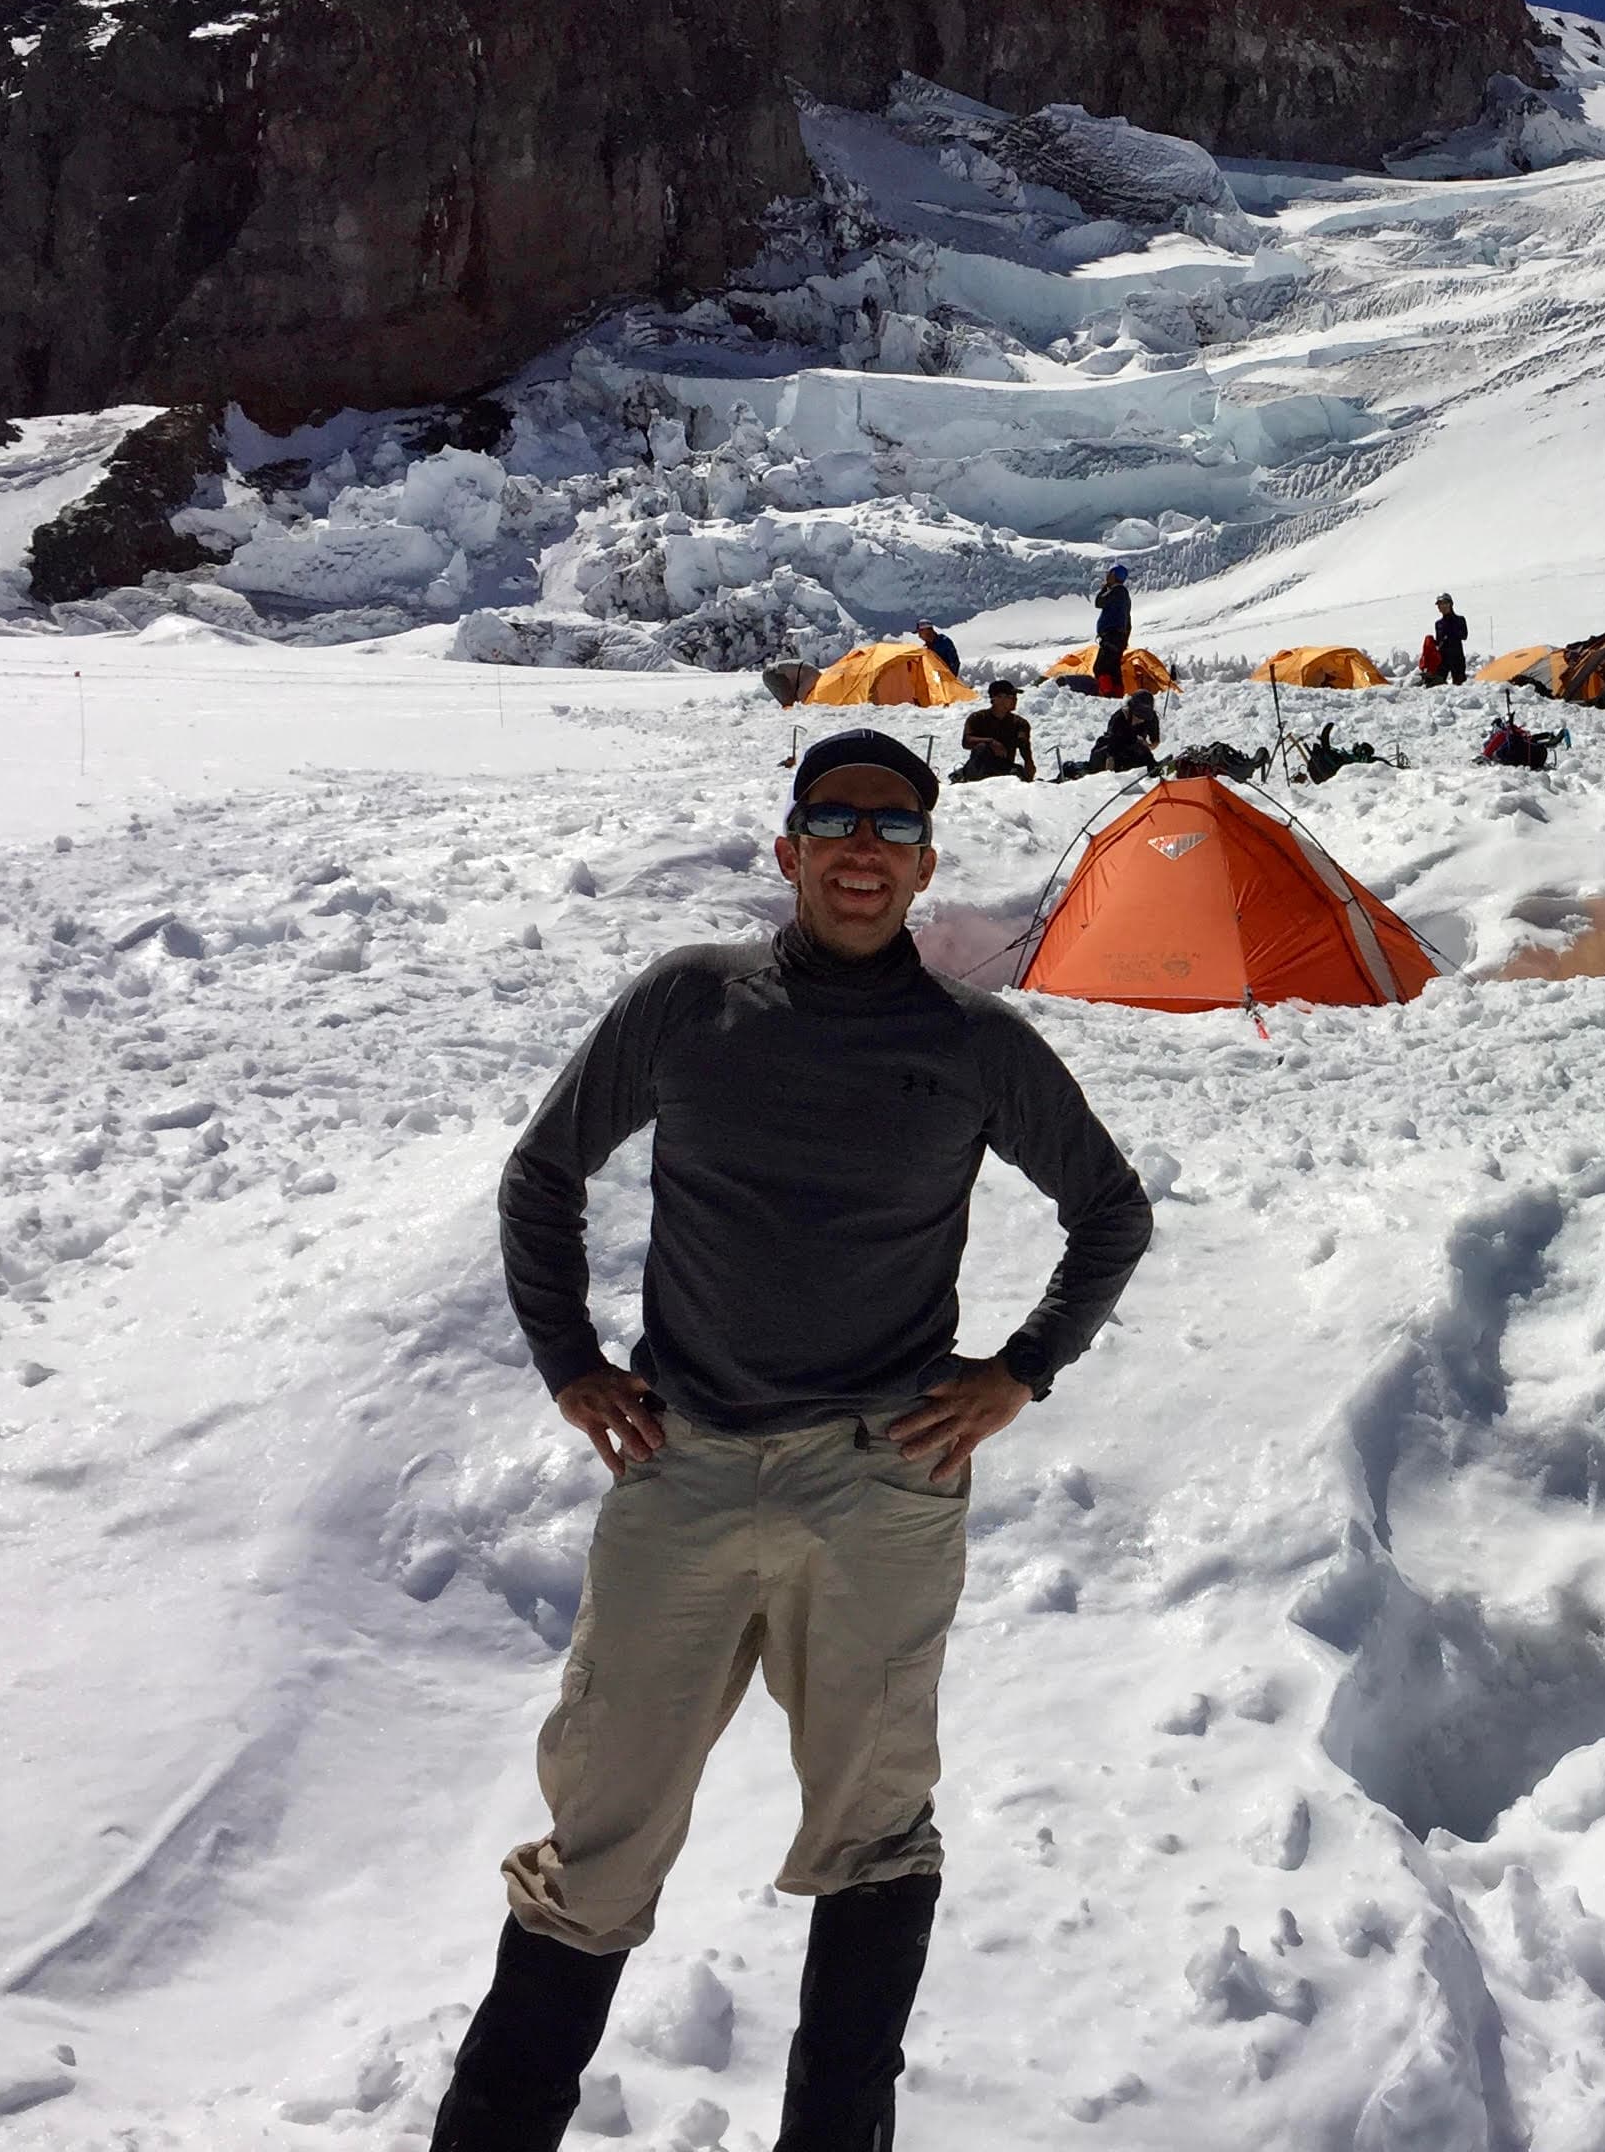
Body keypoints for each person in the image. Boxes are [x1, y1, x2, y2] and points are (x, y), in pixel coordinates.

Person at [428, 727, 1153, 2152]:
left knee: (875, 1841)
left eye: (891, 827)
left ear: (926, 864)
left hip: (880, 1486)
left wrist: (1021, 1373)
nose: (863, 849)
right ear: (791, 851)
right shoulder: (692, 1004)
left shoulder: (973, 1047)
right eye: (835, 821)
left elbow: (1111, 1214)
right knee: (599, 1847)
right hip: (682, 1470)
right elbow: (542, 1175)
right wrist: (570, 1362)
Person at [1058, 688, 1161, 780]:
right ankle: (1070, 769)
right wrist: (1109, 777)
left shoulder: (1151, 718)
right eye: (1138, 716)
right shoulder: (1119, 718)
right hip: (1109, 750)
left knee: (1142, 755)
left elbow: (1155, 741)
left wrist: (1147, 746)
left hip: (1132, 750)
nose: (1141, 720)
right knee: (1093, 771)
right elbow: (1112, 749)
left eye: (1144, 717)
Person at [952, 679, 1035, 783]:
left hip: (1003, 767)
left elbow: (1024, 746)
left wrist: (1029, 764)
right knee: (982, 748)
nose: (1015, 700)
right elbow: (966, 742)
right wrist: (990, 742)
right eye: (1011, 697)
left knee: (1018, 773)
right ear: (997, 699)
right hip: (979, 766)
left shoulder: (1020, 723)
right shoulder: (978, 718)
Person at [1091, 564, 1132, 697]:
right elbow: (1128, 620)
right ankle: (1117, 694)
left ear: (1113, 575)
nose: (1107, 576)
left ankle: (1106, 694)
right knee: (1113, 669)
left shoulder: (1116, 591)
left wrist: (1104, 588)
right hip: (1118, 637)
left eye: (1109, 574)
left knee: (1100, 667)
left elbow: (1099, 602)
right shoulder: (1124, 595)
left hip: (1111, 636)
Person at [1429, 593, 1469, 687]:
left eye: (1443, 603)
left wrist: (1451, 633)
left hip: (1457, 657)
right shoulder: (1438, 624)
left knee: (1459, 687)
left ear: (1450, 604)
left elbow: (1464, 636)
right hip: (1443, 659)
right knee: (1437, 686)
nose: (1441, 607)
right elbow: (1439, 642)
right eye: (1439, 604)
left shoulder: (1460, 620)